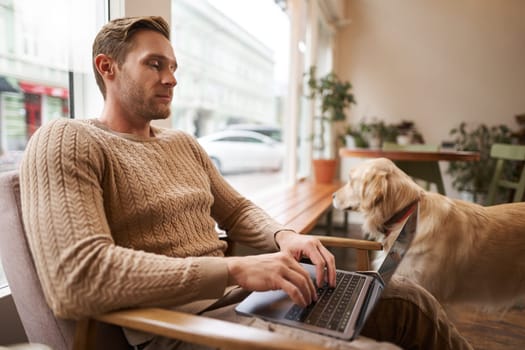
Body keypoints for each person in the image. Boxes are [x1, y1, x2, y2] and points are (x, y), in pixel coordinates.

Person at [19, 16, 472, 350]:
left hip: (247, 302)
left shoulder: (182, 143)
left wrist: (285, 236)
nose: (171, 78)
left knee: (408, 298)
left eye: (173, 66)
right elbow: (76, 279)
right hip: (179, 328)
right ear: (107, 67)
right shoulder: (67, 138)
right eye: (155, 64)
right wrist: (236, 270)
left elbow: (236, 211)